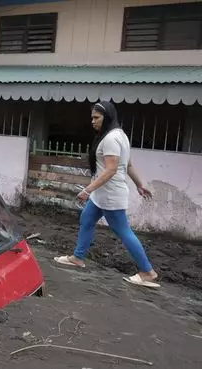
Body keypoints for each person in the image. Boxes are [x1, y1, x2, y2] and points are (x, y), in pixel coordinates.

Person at [54, 101, 160, 288]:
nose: (92, 121)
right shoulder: (120, 135)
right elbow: (127, 166)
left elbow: (111, 170)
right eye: (92, 118)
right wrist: (139, 185)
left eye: (96, 118)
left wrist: (88, 189)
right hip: (102, 196)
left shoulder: (111, 139)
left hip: (110, 195)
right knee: (87, 219)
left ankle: (147, 272)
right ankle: (78, 257)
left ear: (107, 117)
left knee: (124, 232)